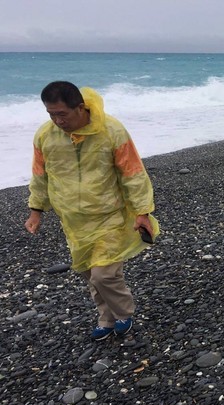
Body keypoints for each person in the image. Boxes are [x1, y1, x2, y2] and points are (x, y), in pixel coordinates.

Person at [24, 81, 159, 341]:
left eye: (62, 114)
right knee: (89, 271)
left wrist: (143, 212)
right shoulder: (45, 136)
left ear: (80, 107)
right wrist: (35, 210)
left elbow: (133, 173)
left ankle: (123, 313)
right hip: (73, 219)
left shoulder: (111, 131)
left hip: (110, 213)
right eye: (51, 114)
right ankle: (105, 318)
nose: (57, 121)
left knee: (104, 273)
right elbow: (40, 176)